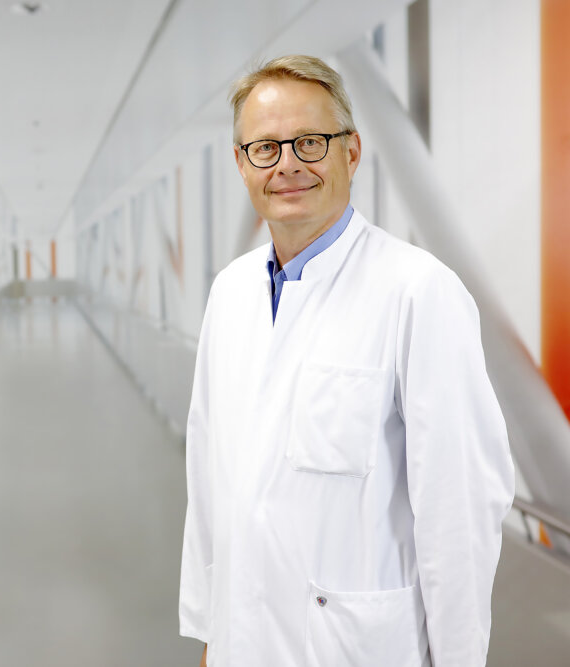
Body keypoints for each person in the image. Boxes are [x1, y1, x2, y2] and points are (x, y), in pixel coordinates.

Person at [178, 54, 515, 667]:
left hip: (356, 648)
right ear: (241, 163)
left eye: (310, 142)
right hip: (242, 642)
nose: (287, 165)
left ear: (351, 152)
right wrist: (210, 632)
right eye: (265, 148)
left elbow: (459, 509)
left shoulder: (418, 291)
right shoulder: (229, 293)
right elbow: (209, 474)